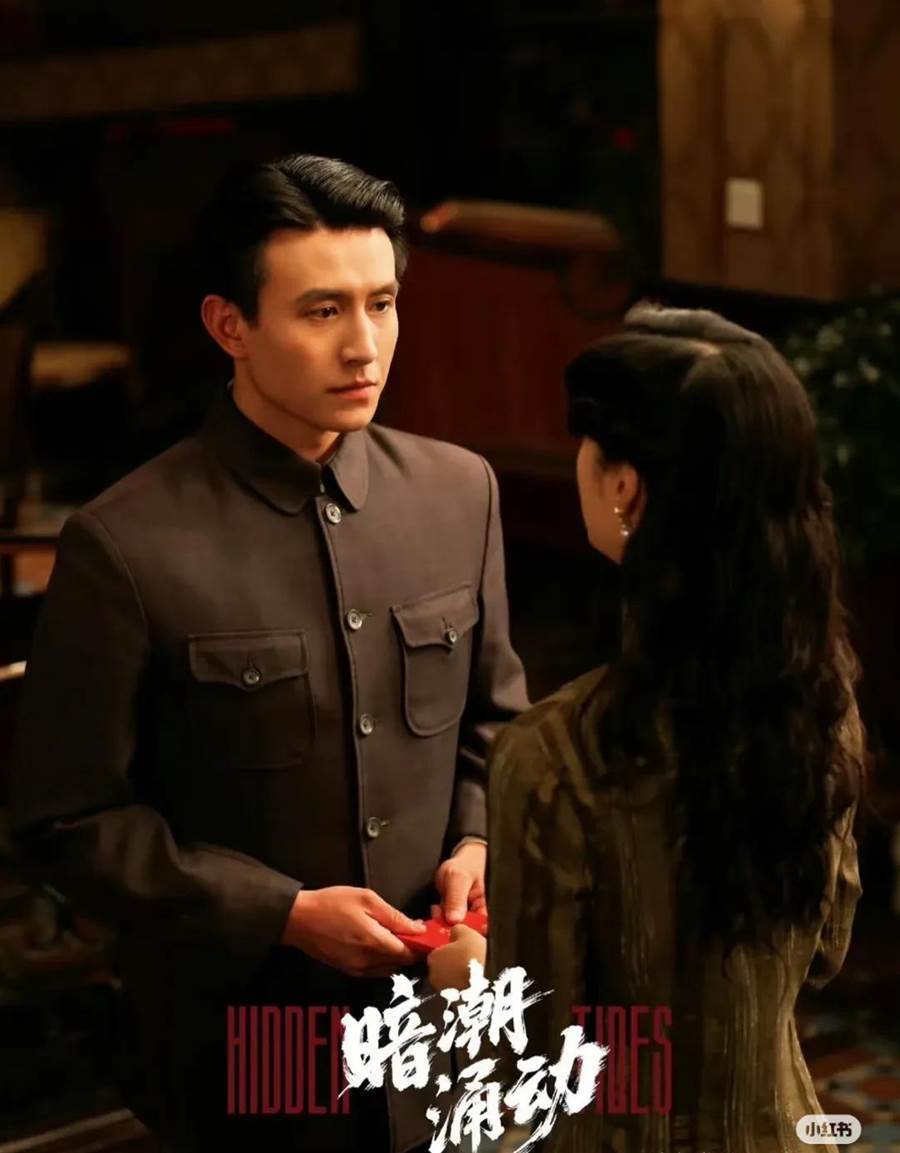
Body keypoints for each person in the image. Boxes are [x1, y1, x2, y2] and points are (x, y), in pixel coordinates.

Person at [10, 154, 529, 1153]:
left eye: (382, 303)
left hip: (443, 1033)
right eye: (323, 311)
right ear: (229, 326)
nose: (364, 345)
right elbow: (64, 820)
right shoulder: (126, 543)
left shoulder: (461, 493)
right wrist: (282, 913)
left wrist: (476, 841)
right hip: (239, 1049)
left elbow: (498, 722)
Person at [428, 304, 865, 1153]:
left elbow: (532, 1058)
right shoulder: (822, 704)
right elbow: (822, 954)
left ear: (625, 486)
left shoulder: (556, 754)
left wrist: (465, 974)